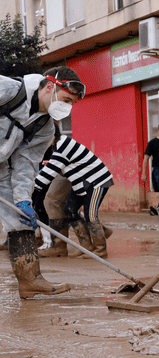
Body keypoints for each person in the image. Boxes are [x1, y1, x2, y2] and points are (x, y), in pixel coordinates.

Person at [0, 66, 83, 298]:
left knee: (21, 218)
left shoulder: (45, 128)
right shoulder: (8, 90)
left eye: (72, 104)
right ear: (50, 87)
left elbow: (25, 164)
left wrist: (23, 199)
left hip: (1, 168)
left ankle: (30, 280)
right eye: (66, 99)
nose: (67, 107)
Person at [33, 134, 114, 258]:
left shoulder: (61, 147)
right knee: (69, 209)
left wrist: (28, 190)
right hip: (81, 183)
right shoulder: (59, 145)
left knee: (90, 215)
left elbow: (46, 175)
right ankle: (86, 246)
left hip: (96, 181)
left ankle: (100, 249)